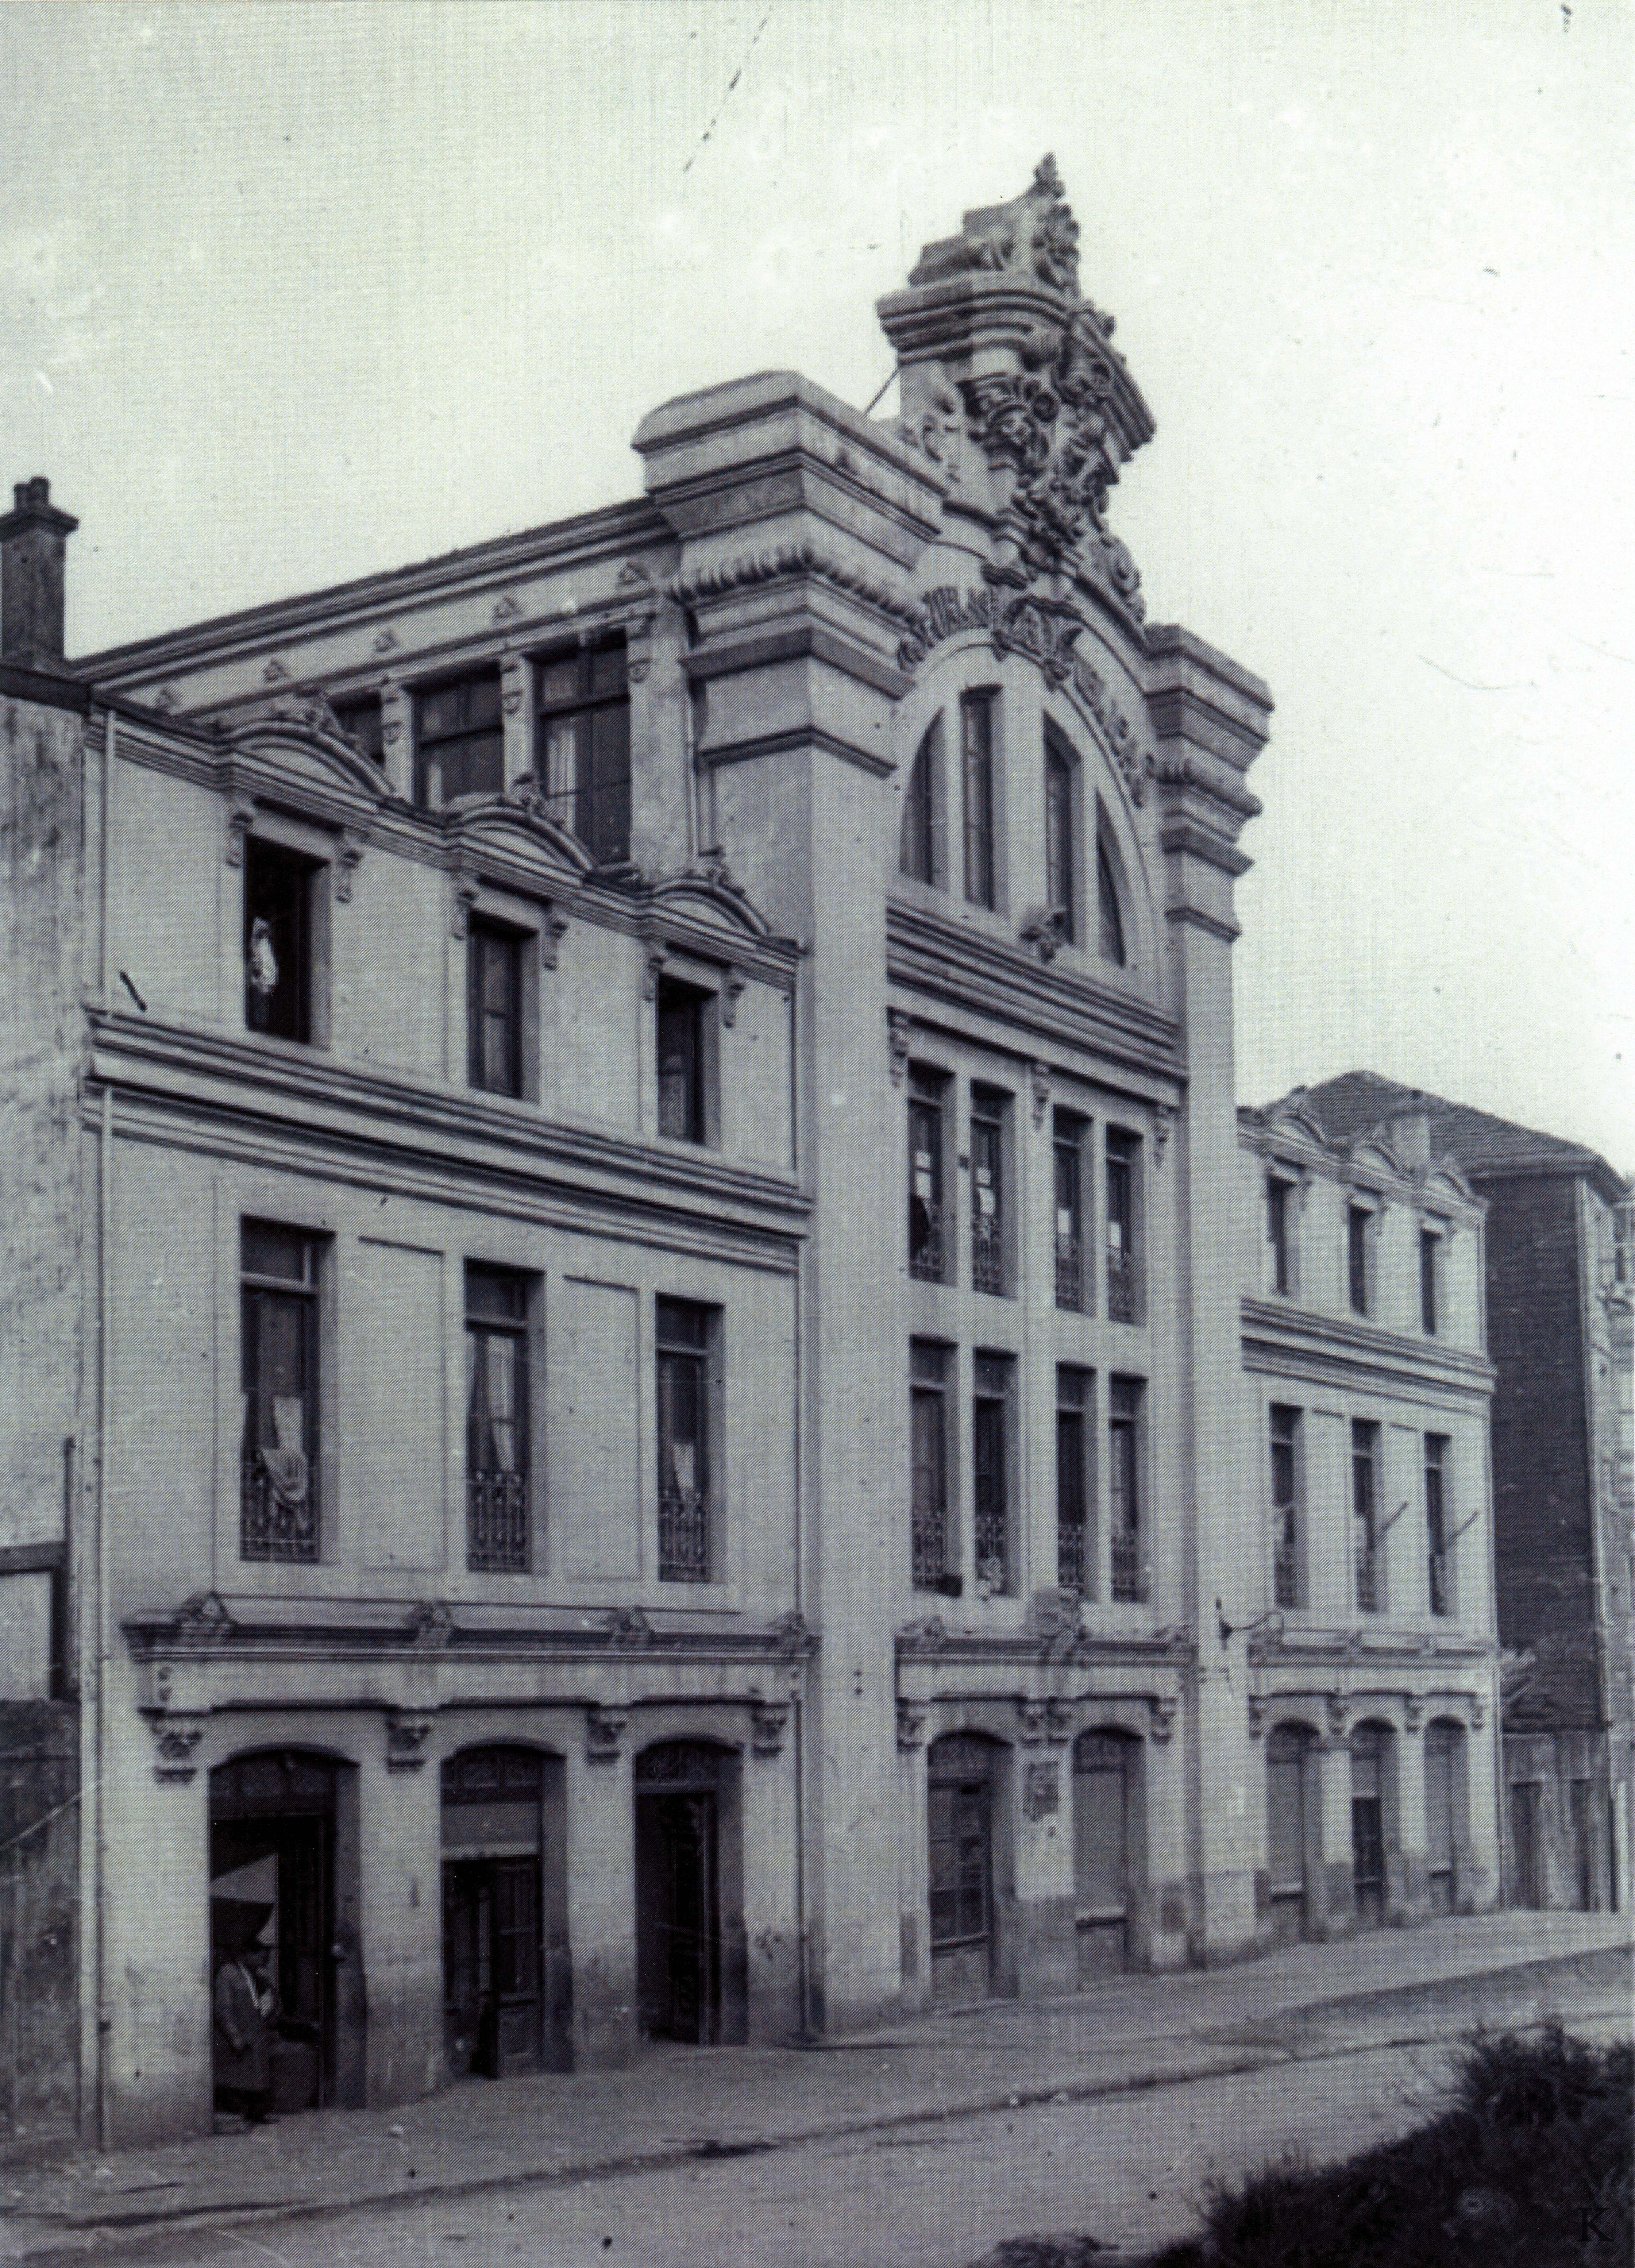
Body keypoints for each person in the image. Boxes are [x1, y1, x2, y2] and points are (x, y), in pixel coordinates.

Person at [213, 1943, 279, 2125]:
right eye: (260, 1956)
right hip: (238, 2035)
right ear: (246, 1954)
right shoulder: (228, 1974)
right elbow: (224, 2008)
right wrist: (234, 2036)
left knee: (255, 2074)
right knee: (236, 2076)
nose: (263, 1961)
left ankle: (255, 2113)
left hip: (253, 2032)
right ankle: (237, 2113)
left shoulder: (253, 1975)